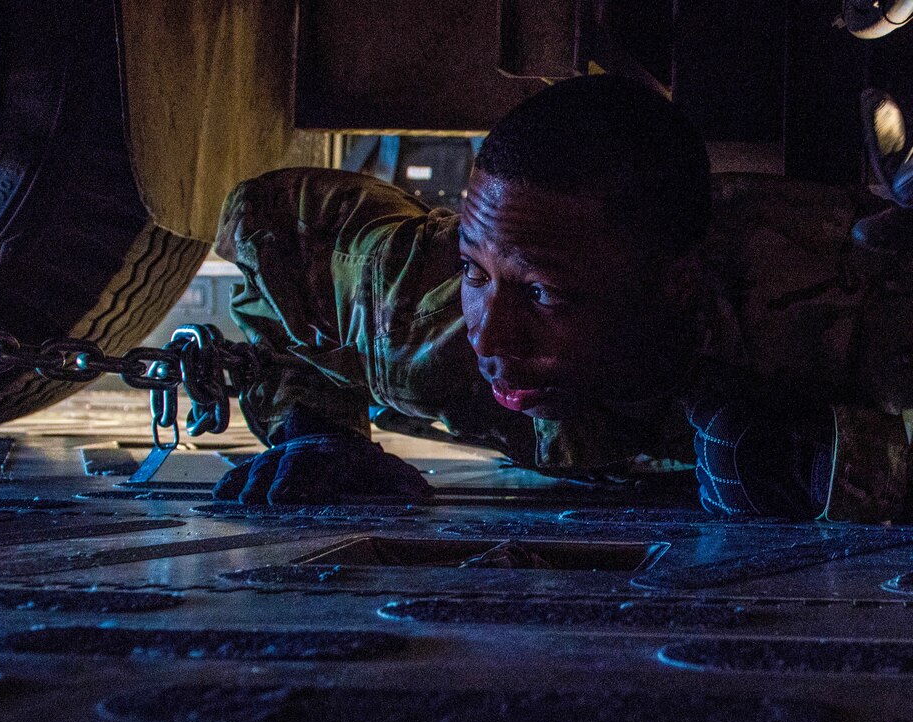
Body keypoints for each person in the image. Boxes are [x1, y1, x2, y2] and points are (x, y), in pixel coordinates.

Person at [210, 74, 913, 523]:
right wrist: (315, 429)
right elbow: (276, 217)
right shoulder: (419, 314)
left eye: (546, 294)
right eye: (478, 273)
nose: (492, 337)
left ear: (676, 288)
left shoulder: (831, 310)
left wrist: (863, 467)